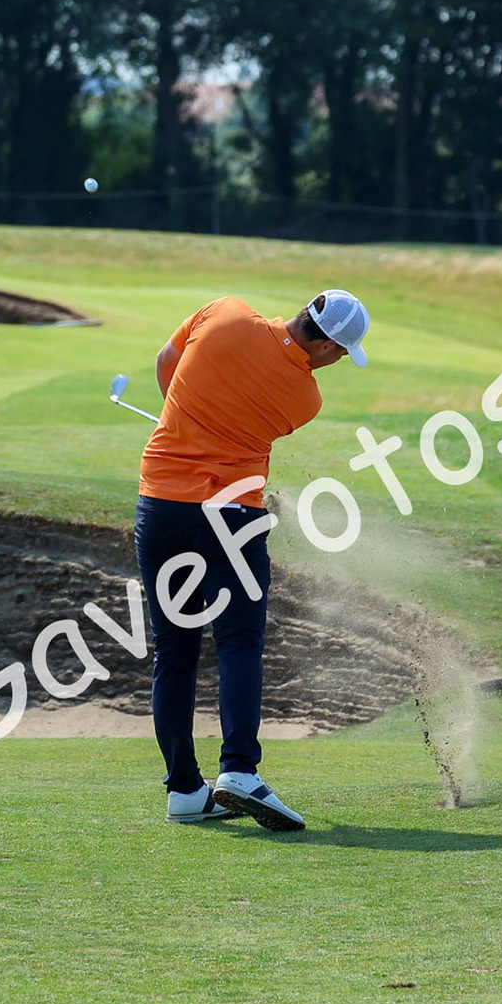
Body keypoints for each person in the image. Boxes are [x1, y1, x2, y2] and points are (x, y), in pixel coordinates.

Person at [136, 288, 369, 831]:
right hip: (231, 517)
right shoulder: (305, 399)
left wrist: (187, 416)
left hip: (162, 504)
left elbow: (165, 363)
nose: (335, 364)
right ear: (331, 346)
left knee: (174, 650)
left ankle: (185, 791)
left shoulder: (224, 312)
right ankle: (238, 769)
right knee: (239, 641)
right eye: (340, 355)